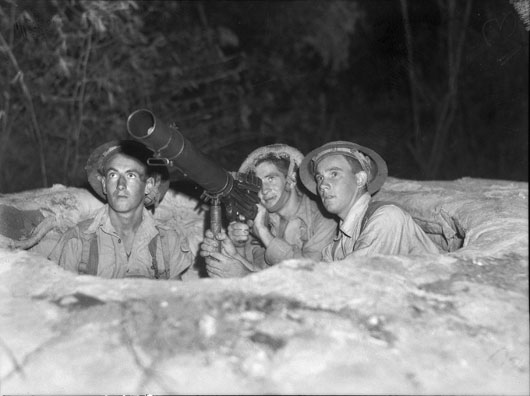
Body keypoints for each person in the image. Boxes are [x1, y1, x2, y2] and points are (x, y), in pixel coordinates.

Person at [49, 140, 194, 279]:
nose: (120, 185)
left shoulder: (167, 240)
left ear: (149, 185)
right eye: (113, 175)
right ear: (105, 184)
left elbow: (177, 300)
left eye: (131, 175)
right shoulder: (77, 239)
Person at [200, 144, 337, 277]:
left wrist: (263, 233)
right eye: (258, 183)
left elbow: (308, 276)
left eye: (271, 178)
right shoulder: (262, 219)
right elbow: (263, 274)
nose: (264, 190)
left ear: (291, 180)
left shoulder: (324, 218)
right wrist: (233, 253)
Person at [299, 140, 440, 261]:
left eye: (334, 174)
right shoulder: (336, 245)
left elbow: (357, 280)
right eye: (319, 178)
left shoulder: (386, 218)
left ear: (360, 179)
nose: (322, 185)